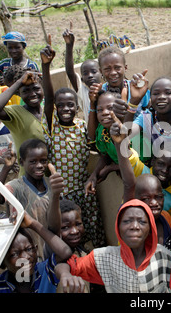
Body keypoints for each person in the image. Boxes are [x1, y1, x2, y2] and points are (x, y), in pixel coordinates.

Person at [40, 43, 106, 248]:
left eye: (70, 104)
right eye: (60, 105)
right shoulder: (51, 127)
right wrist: (46, 67)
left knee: (94, 226)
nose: (65, 108)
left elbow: (92, 139)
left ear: (77, 107)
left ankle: (97, 259)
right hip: (63, 193)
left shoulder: (80, 126)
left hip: (83, 189)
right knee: (67, 233)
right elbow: (49, 98)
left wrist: (94, 105)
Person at [55, 199, 171, 293]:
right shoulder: (104, 257)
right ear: (118, 228)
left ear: (150, 230)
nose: (134, 226)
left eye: (142, 222)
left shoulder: (163, 256)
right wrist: (65, 274)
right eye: (127, 221)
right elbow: (66, 265)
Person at [0, 139, 64, 261]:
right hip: (27, 253)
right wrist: (6, 168)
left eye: (43, 161)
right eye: (33, 161)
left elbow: (57, 224)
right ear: (22, 162)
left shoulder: (52, 185)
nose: (39, 165)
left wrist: (56, 194)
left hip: (52, 248)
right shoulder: (16, 187)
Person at [110, 112, 171, 244]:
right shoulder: (130, 219)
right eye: (145, 198)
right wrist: (120, 143)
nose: (154, 203)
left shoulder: (166, 217)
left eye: (158, 197)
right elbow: (129, 183)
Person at [84, 74, 148, 196]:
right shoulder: (101, 130)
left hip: (143, 179)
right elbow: (105, 154)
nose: (105, 113)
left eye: (110, 108)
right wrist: (94, 174)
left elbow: (138, 162)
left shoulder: (130, 131)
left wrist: (111, 168)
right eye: (100, 110)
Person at [0, 211, 72, 293]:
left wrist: (32, 224)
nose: (25, 257)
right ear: (2, 263)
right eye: (15, 254)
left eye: (29, 249)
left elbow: (65, 253)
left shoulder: (44, 272)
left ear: (36, 249)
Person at [113, 76, 171, 160]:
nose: (161, 97)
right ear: (150, 98)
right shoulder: (147, 117)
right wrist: (134, 101)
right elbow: (126, 134)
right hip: (160, 168)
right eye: (156, 93)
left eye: (168, 93)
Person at [0, 68, 45, 175]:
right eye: (25, 91)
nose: (32, 94)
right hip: (31, 178)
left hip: (52, 175)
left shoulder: (49, 110)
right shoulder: (16, 113)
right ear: (18, 94)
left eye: (36, 88)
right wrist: (19, 82)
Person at [63, 23, 101, 125]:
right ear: (82, 79)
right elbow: (70, 72)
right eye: (85, 73)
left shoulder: (108, 88)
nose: (90, 75)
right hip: (93, 136)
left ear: (101, 73)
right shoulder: (83, 92)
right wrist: (69, 45)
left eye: (94, 72)